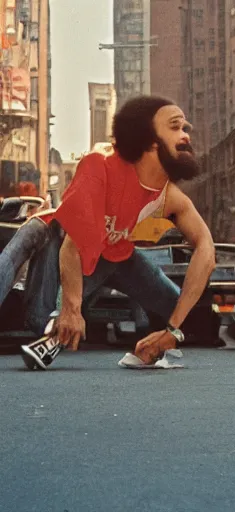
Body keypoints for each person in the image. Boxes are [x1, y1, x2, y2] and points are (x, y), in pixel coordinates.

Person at [0, 96, 216, 370]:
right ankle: (58, 319)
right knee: (37, 233)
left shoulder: (169, 197)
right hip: (67, 247)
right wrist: (71, 309)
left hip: (119, 258)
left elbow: (206, 249)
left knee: (188, 314)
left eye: (186, 128)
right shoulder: (99, 166)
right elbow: (73, 244)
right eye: (175, 127)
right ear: (149, 139)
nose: (185, 135)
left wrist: (171, 331)